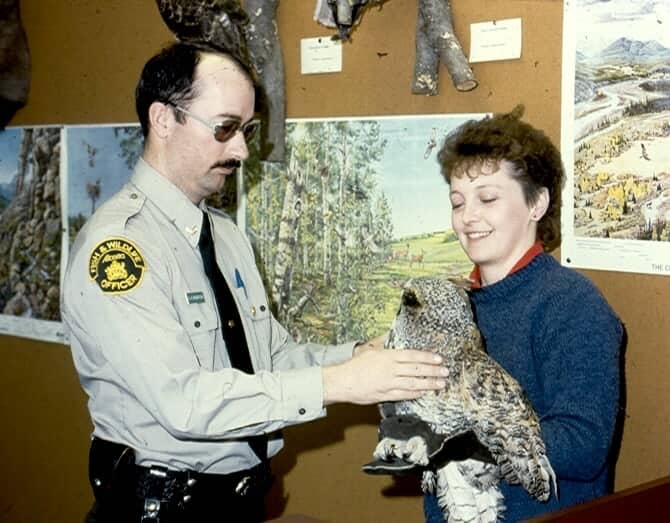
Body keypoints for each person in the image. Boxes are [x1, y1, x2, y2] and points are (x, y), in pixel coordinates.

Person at [61, 42, 448, 523]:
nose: (241, 150)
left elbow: (269, 358)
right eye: (225, 128)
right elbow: (184, 402)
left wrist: (354, 357)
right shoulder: (120, 250)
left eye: (245, 131)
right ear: (163, 120)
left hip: (239, 503)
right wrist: (338, 382)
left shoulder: (224, 236)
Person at [423, 106, 624, 522]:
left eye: (488, 199)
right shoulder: (448, 306)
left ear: (537, 203)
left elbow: (584, 443)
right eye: (457, 202)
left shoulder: (571, 305)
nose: (467, 218)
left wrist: (467, 441)